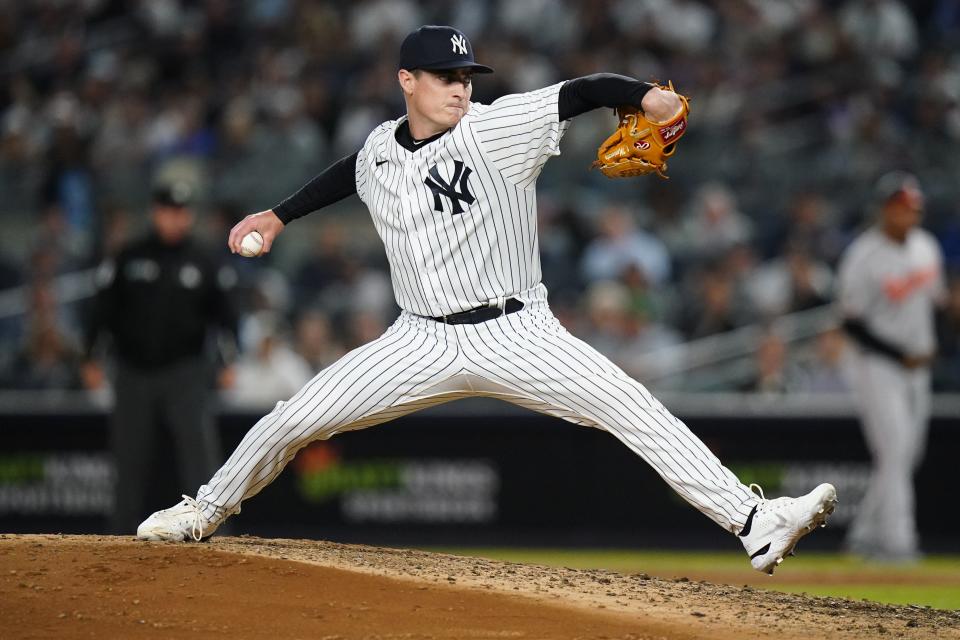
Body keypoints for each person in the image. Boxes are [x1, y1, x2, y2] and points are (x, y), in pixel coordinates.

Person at [136, 25, 836, 574]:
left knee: (631, 406)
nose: (460, 89)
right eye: (446, 78)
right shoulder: (381, 146)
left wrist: (647, 97)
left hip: (517, 331)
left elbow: (583, 89)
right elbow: (349, 172)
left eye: (467, 77)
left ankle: (755, 523)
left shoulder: (495, 128)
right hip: (418, 340)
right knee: (294, 419)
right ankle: (203, 510)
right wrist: (279, 216)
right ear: (406, 81)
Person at [83, 181, 240, 534]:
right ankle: (120, 536)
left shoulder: (203, 259)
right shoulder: (130, 256)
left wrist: (230, 362)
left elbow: (226, 316)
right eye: (169, 212)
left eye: (182, 212)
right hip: (132, 372)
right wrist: (91, 358)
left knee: (199, 457)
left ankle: (213, 533)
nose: (176, 219)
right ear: (156, 213)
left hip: (186, 372)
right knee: (129, 459)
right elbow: (102, 310)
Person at [837, 171, 946, 562]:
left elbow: (937, 304)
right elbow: (851, 323)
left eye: (913, 208)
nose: (908, 214)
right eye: (901, 207)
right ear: (885, 209)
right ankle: (899, 544)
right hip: (877, 366)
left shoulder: (927, 246)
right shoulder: (863, 255)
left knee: (904, 456)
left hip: (919, 367)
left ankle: (864, 536)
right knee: (897, 451)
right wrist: (902, 355)